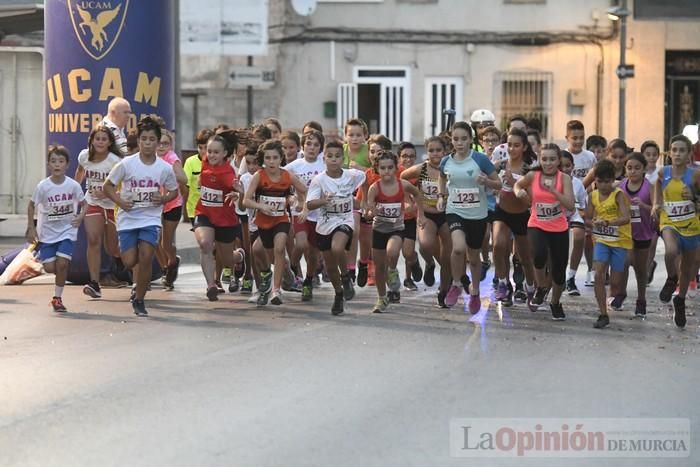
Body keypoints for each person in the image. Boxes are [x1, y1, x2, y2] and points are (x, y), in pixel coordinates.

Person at [103, 116, 179, 317]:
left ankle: (139, 299)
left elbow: (174, 191)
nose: (147, 143)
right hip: (128, 218)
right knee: (130, 261)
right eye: (144, 139)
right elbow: (107, 187)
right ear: (138, 141)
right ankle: (135, 279)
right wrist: (120, 201)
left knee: (146, 257)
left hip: (150, 218)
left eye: (151, 139)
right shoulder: (127, 164)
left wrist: (163, 199)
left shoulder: (164, 168)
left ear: (157, 142)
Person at [437, 121, 501, 312]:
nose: (460, 143)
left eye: (464, 139)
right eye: (456, 139)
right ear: (452, 141)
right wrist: (441, 196)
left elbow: (498, 184)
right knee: (457, 248)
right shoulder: (446, 161)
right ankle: (456, 284)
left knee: (474, 258)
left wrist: (486, 181)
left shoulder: (480, 159)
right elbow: (441, 177)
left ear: (471, 140)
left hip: (478, 214)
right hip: (455, 210)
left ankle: (474, 292)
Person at [243, 139, 308, 306]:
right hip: (263, 221)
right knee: (258, 250)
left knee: (279, 249)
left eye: (275, 158)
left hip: (281, 219)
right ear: (263, 160)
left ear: (281, 159)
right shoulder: (259, 176)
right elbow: (246, 200)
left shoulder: (287, 176)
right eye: (267, 158)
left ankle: (276, 290)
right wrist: (260, 206)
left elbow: (306, 190)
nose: (271, 162)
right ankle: (267, 275)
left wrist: (302, 205)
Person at [514, 143, 575, 320]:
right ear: (540, 160)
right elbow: (518, 185)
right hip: (537, 223)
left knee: (558, 271)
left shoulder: (564, 179)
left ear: (558, 161)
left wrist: (554, 191)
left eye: (552, 159)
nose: (548, 163)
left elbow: (570, 205)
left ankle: (555, 302)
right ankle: (541, 287)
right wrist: (519, 193)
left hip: (559, 227)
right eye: (544, 159)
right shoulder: (533, 175)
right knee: (539, 255)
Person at [307, 140, 366, 315]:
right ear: (324, 158)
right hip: (324, 225)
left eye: (337, 156)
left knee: (337, 247)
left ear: (343, 158)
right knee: (330, 266)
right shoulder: (319, 180)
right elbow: (310, 204)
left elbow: (366, 177)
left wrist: (366, 201)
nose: (334, 159)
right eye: (330, 156)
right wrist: (323, 201)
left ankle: (346, 276)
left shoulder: (351, 175)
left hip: (345, 220)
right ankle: (339, 294)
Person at [26, 145, 86, 312]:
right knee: (50, 268)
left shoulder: (73, 185)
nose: (57, 164)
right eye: (53, 161)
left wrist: (80, 217)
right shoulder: (43, 186)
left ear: (67, 164)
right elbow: (31, 205)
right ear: (48, 165)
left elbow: (85, 203)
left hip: (67, 231)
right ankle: (42, 254)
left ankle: (57, 298)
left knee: (62, 265)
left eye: (61, 161)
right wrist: (31, 227)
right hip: (47, 234)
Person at [652, 135, 700, 328]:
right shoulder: (664, 172)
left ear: (689, 154)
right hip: (669, 221)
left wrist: (695, 196)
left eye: (682, 150)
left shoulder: (696, 175)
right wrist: (656, 203)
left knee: (688, 267)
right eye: (674, 150)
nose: (677, 153)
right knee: (671, 251)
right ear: (669, 153)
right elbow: (656, 184)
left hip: (691, 224)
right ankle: (672, 278)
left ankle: (680, 299)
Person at [365, 152, 422, 312]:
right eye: (383, 168)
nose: (387, 171)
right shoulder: (374, 188)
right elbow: (369, 210)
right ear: (377, 169)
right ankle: (382, 298)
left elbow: (417, 194)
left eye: (390, 167)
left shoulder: (402, 185)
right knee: (378, 266)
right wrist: (370, 213)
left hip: (396, 228)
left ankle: (393, 270)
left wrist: (418, 211)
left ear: (396, 168)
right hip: (379, 229)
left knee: (392, 251)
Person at [193, 131, 246, 301]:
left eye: (216, 152)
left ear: (225, 154)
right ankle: (211, 285)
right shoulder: (205, 161)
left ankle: (240, 256)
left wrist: (238, 192)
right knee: (205, 244)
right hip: (204, 212)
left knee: (227, 259)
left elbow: (235, 187)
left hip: (225, 219)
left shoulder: (227, 173)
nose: (211, 155)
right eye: (209, 151)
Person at [401, 136, 453, 306]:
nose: (435, 153)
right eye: (431, 150)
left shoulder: (450, 168)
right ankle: (430, 263)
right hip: (428, 215)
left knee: (447, 257)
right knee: (425, 245)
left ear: (444, 151)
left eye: (438, 150)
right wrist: (411, 199)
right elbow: (402, 177)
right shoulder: (421, 169)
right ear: (426, 152)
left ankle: (444, 290)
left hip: (447, 215)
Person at [74, 126, 123, 298]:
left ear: (110, 142)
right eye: (97, 138)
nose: (100, 142)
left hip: (112, 205)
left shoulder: (115, 161)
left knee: (112, 248)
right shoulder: (84, 156)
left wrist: (107, 192)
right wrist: (75, 192)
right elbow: (80, 171)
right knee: (93, 240)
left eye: (104, 139)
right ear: (92, 141)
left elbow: (123, 185)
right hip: (92, 202)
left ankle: (133, 268)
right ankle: (94, 283)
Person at [492, 128, 537, 306]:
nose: (512, 149)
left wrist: (514, 184)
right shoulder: (500, 165)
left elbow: (531, 201)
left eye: (516, 145)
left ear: (524, 147)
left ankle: (531, 286)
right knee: (498, 245)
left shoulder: (529, 170)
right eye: (509, 145)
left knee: (524, 258)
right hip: (501, 212)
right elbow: (488, 178)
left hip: (522, 216)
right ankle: (503, 284)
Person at [585, 159, 632, 329]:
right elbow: (588, 218)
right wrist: (594, 223)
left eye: (607, 181)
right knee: (598, 274)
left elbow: (626, 217)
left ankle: (614, 296)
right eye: (599, 181)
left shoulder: (618, 194)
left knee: (615, 283)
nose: (603, 185)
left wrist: (608, 223)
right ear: (595, 180)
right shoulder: (593, 196)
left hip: (619, 240)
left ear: (613, 180)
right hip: (602, 240)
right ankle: (603, 313)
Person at [285, 130, 326, 301]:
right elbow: (279, 182)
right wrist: (290, 197)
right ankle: (293, 265)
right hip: (299, 212)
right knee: (300, 244)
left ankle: (308, 281)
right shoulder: (294, 166)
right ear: (302, 147)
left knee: (313, 255)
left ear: (320, 149)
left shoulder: (324, 166)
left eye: (316, 145)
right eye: (308, 144)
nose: (312, 148)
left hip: (319, 215)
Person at [619, 152, 654, 317]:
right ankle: (621, 293)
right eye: (630, 168)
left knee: (640, 270)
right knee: (624, 263)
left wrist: (644, 206)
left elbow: (657, 211)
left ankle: (641, 300)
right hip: (625, 233)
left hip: (643, 233)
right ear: (625, 169)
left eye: (637, 168)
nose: (633, 171)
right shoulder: (621, 186)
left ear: (644, 169)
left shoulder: (649, 187)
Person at [566, 120, 597, 287]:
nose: (578, 141)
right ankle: (565, 274)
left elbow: (595, 179)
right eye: (574, 138)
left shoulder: (590, 157)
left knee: (588, 238)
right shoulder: (562, 155)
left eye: (581, 137)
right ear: (567, 138)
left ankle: (591, 270)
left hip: (585, 203)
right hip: (565, 202)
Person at [156, 129, 188, 290]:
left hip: (172, 203)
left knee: (166, 242)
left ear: (171, 145)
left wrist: (170, 172)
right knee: (154, 239)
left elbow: (184, 178)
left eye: (165, 143)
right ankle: (166, 268)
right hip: (155, 204)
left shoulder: (172, 158)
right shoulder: (149, 157)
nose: (161, 146)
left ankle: (172, 261)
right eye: (159, 143)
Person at [560, 150, 588, 297]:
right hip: (557, 215)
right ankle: (555, 275)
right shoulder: (553, 182)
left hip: (574, 213)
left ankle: (571, 276)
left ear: (573, 166)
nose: (565, 169)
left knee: (578, 237)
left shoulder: (577, 184)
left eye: (568, 165)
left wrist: (583, 213)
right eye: (562, 166)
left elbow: (584, 205)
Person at [397, 141, 422, 291]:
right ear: (399, 157)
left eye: (412, 156)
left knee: (408, 252)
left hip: (410, 219)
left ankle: (409, 276)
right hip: (394, 219)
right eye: (404, 156)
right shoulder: (393, 172)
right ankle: (397, 279)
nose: (408, 159)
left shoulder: (418, 174)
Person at [183, 128, 214, 226]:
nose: (203, 151)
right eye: (200, 147)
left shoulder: (218, 162)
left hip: (214, 209)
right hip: (195, 210)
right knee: (204, 240)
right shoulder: (190, 162)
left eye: (206, 148)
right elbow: (185, 186)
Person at [641, 140, 661, 284]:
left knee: (653, 242)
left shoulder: (662, 171)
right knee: (644, 244)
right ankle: (646, 266)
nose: (651, 157)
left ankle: (648, 268)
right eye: (648, 154)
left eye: (654, 154)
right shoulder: (639, 172)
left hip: (657, 213)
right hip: (642, 214)